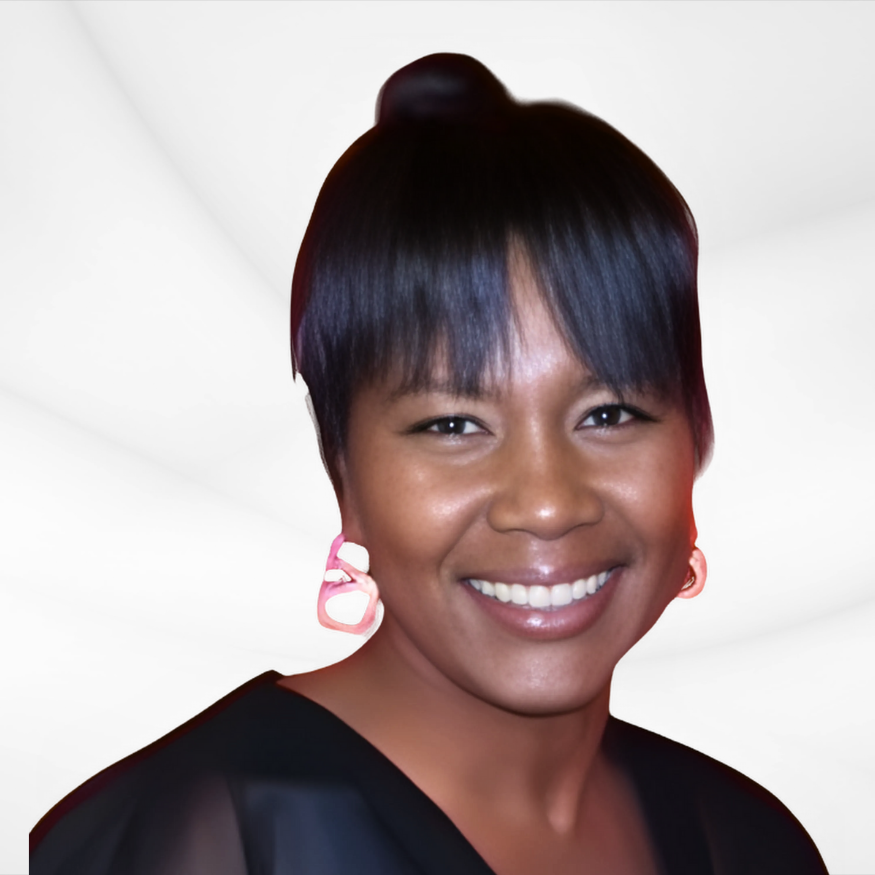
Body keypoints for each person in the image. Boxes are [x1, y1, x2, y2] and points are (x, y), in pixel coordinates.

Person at [30, 53, 827, 875]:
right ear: (340, 463)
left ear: (695, 431)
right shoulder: (198, 832)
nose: (547, 503)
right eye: (452, 423)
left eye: (610, 413)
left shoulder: (749, 840)